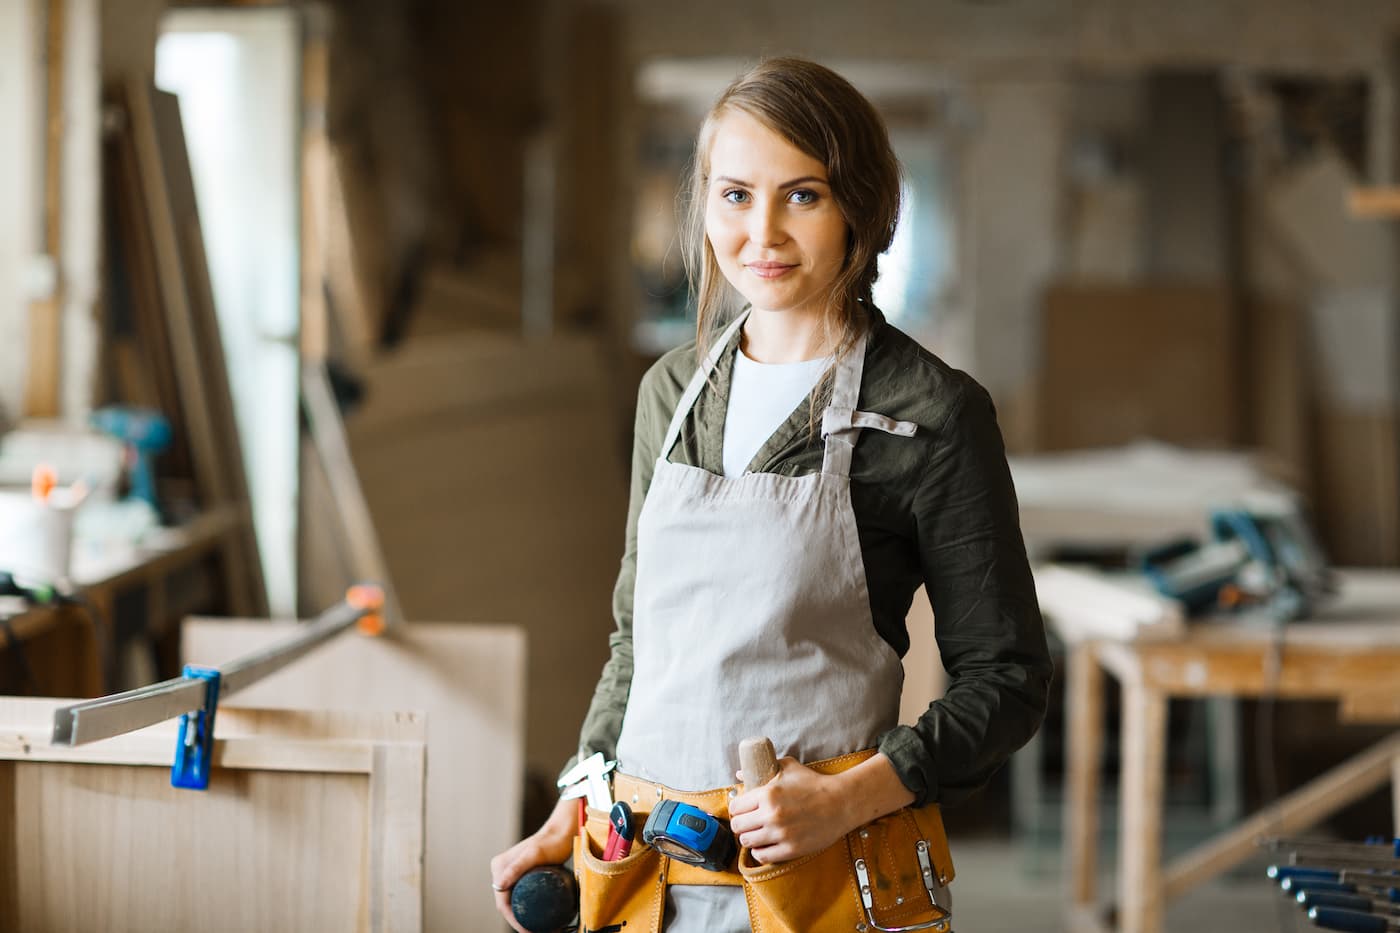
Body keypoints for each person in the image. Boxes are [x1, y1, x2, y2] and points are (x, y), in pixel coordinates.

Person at [491, 56, 1052, 933]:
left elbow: (1006, 679)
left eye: (804, 195)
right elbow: (639, 642)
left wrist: (849, 796)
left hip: (819, 881)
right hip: (642, 876)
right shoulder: (670, 394)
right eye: (735, 195)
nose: (763, 234)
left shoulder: (929, 413)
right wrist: (578, 795)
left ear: (861, 206)